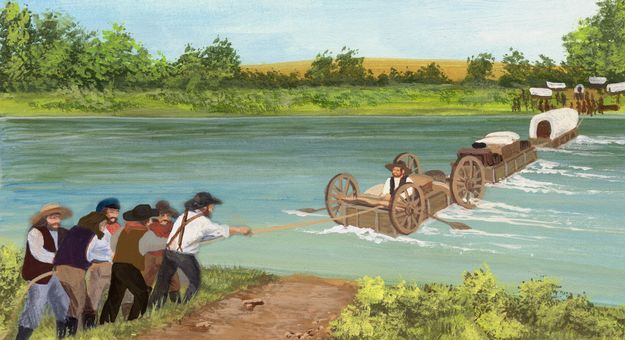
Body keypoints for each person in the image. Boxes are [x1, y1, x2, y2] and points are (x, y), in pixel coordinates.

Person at [148, 192, 251, 308]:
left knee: (163, 282)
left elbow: (200, 234)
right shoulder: (202, 221)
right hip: (184, 255)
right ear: (204, 208)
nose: (212, 210)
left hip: (169, 252)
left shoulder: (184, 215)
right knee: (195, 281)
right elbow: (217, 229)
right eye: (211, 207)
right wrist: (239, 230)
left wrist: (225, 233)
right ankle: (185, 307)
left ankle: (152, 307)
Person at [16, 204, 72, 340]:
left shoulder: (62, 232)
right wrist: (59, 258)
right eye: (52, 218)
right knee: (35, 307)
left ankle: (61, 335)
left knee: (63, 302)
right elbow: (39, 253)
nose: (56, 221)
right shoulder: (35, 232)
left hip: (54, 275)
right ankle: (22, 337)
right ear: (45, 218)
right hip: (38, 276)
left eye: (57, 217)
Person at [99, 204, 159, 324]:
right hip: (130, 267)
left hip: (117, 265)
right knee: (143, 292)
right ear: (146, 220)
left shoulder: (123, 229)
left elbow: (112, 245)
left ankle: (105, 322)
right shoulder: (146, 233)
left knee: (114, 296)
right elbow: (158, 244)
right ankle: (135, 319)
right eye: (150, 218)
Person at [53, 212, 108, 335]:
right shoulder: (91, 235)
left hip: (60, 269)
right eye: (103, 225)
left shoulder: (75, 230)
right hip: (74, 270)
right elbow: (92, 255)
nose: (104, 228)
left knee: (86, 305)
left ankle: (89, 332)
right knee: (78, 303)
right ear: (96, 223)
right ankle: (67, 335)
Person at [85, 198, 120, 326]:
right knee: (94, 296)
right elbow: (87, 251)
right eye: (111, 211)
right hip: (97, 265)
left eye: (116, 212)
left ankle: (106, 322)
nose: (114, 214)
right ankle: (90, 324)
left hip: (111, 265)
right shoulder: (93, 230)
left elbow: (113, 248)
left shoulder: (114, 229)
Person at [141, 201, 181, 302]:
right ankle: (143, 301)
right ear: (157, 216)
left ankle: (176, 302)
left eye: (168, 215)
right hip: (150, 256)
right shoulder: (151, 225)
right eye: (162, 215)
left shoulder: (172, 226)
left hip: (166, 256)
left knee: (173, 279)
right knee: (147, 278)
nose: (165, 218)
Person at [340, 161, 414, 208]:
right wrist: (386, 195)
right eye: (394, 170)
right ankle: (353, 199)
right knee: (370, 198)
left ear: (403, 171)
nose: (395, 172)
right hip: (388, 199)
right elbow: (385, 191)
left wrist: (396, 198)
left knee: (377, 202)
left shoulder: (408, 180)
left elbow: (410, 192)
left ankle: (350, 199)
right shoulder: (390, 180)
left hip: (401, 202)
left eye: (397, 170)